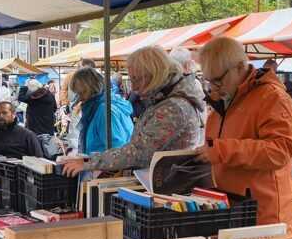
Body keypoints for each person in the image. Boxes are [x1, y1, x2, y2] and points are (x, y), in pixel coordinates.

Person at [193, 36, 292, 237]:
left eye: (218, 80)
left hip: (263, 215)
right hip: (231, 210)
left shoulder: (273, 97)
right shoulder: (220, 101)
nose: (213, 87)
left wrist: (219, 151)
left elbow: (279, 152)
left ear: (240, 67)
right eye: (209, 81)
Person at [59, 45, 204, 176]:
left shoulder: (173, 108)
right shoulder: (163, 102)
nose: (133, 88)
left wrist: (89, 162)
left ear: (155, 75)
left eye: (136, 80)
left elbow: (139, 152)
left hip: (163, 183)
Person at [58, 67, 134, 165]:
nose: (80, 98)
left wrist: (89, 163)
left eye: (83, 92)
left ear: (94, 88)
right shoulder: (102, 104)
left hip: (104, 169)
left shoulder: (103, 110)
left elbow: (116, 149)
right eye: (78, 94)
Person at [170, 46, 208, 145]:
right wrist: (206, 123)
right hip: (190, 135)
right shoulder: (193, 83)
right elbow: (202, 108)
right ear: (187, 65)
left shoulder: (164, 83)